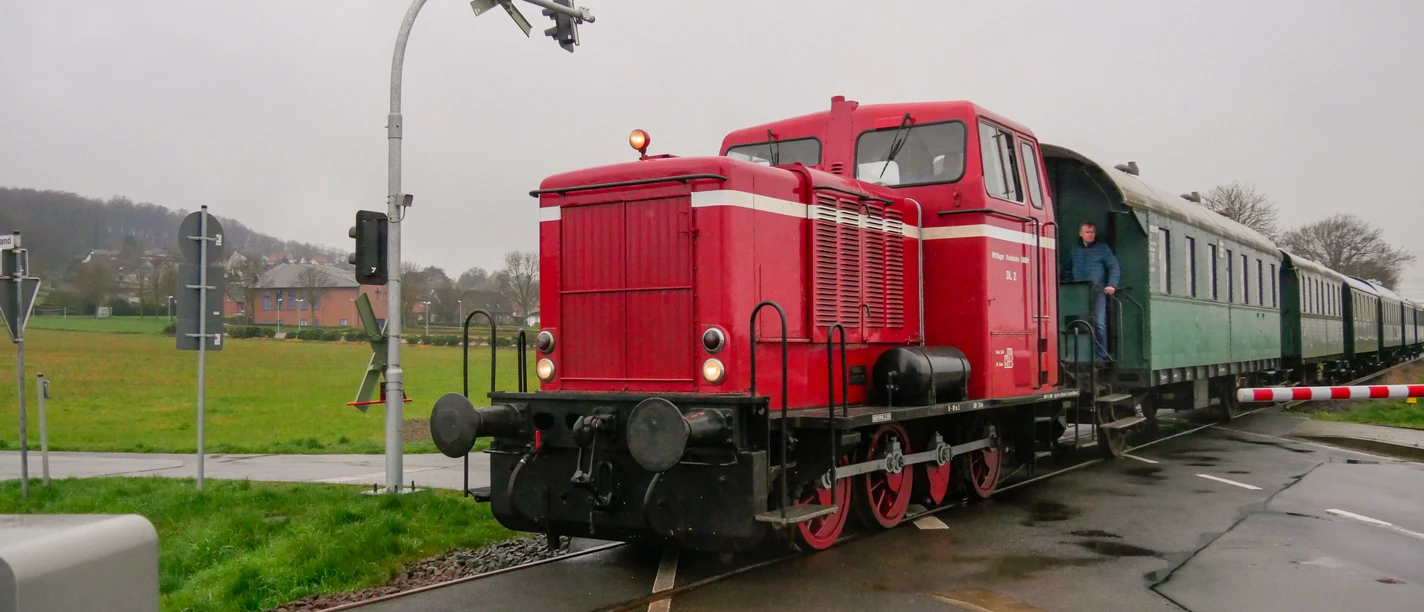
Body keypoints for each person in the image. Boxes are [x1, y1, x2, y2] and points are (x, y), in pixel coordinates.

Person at [1064, 221, 1120, 361]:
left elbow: (1114, 267)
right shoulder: (1074, 250)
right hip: (1078, 292)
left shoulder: (1102, 249)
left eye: (1092, 232)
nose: (1090, 235)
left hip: (1097, 292)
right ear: (1081, 234)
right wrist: (1069, 281)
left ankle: (1100, 356)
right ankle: (1081, 355)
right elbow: (1066, 269)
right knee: (1079, 323)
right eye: (1087, 232)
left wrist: (1111, 285)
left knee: (1099, 324)